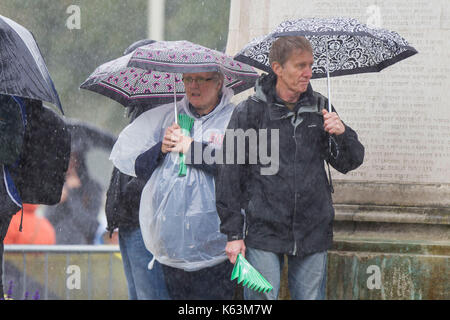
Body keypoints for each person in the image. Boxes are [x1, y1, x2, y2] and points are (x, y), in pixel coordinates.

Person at [216, 36, 365, 300]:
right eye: (300, 65)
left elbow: (349, 162)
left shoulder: (321, 108)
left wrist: (342, 133)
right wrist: (233, 234)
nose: (308, 72)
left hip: (312, 230)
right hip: (263, 231)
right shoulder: (249, 112)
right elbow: (229, 174)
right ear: (277, 68)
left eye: (310, 64)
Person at [110, 71, 236, 300]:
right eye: (188, 80)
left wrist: (193, 149)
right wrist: (161, 147)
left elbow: (238, 167)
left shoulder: (234, 118)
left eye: (202, 80)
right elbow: (137, 166)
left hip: (220, 249)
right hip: (173, 251)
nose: (193, 86)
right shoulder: (168, 117)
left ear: (219, 83)